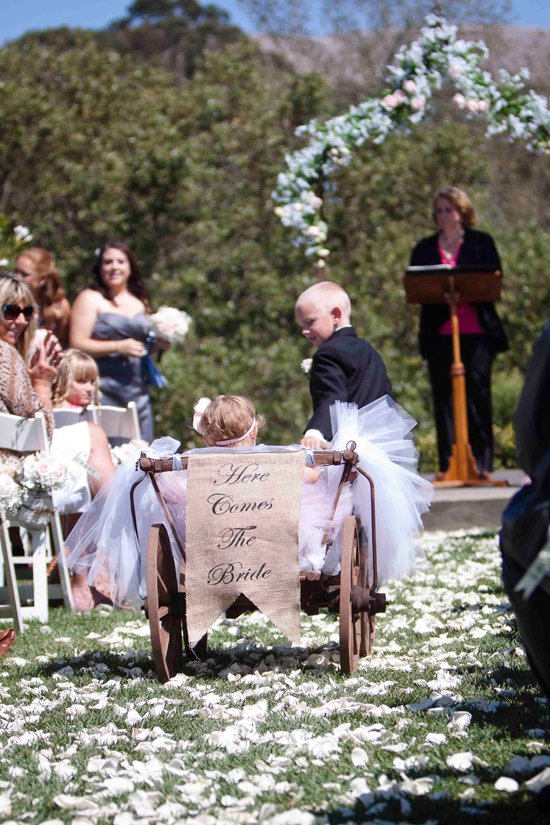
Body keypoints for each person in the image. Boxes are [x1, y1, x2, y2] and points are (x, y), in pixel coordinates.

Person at [66, 394, 432, 605]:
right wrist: (312, 473)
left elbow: (176, 491)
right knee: (322, 504)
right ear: (255, 429)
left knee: (178, 509)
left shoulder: (195, 464)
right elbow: (311, 475)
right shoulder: (279, 457)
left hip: (215, 545)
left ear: (206, 439)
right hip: (279, 542)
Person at [0, 272, 115, 611]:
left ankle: (77, 565)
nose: (20, 320)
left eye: (27, 313)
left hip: (14, 461)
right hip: (15, 472)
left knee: (89, 449)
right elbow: (42, 431)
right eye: (10, 310)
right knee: (92, 443)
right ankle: (85, 568)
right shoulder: (6, 357)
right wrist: (43, 383)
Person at [410, 187, 508, 476]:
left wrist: (463, 290)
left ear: (462, 212)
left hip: (477, 331)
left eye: (449, 210)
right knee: (444, 399)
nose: (443, 216)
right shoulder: (425, 247)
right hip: (440, 333)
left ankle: (482, 465)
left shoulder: (481, 242)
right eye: (439, 211)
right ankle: (449, 465)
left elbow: (493, 281)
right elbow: (417, 285)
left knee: (478, 396)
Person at [69, 241, 169, 442]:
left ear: (130, 267)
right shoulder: (90, 298)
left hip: (137, 391)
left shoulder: (141, 301)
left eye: (120, 261)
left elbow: (142, 350)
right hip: (103, 389)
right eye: (107, 262)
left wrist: (159, 347)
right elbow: (76, 344)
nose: (114, 267)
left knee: (142, 453)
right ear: (100, 268)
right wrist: (117, 346)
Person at [295, 281, 393, 449]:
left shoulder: (328, 353)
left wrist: (315, 432)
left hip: (349, 447)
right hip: (380, 444)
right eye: (302, 325)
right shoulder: (369, 350)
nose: (304, 330)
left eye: (310, 321)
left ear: (335, 315)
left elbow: (333, 396)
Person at [15, 248, 71, 349]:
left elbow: (63, 342)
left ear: (42, 279)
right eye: (16, 272)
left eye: (24, 274)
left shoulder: (60, 305)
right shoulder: (8, 300)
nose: (17, 278)